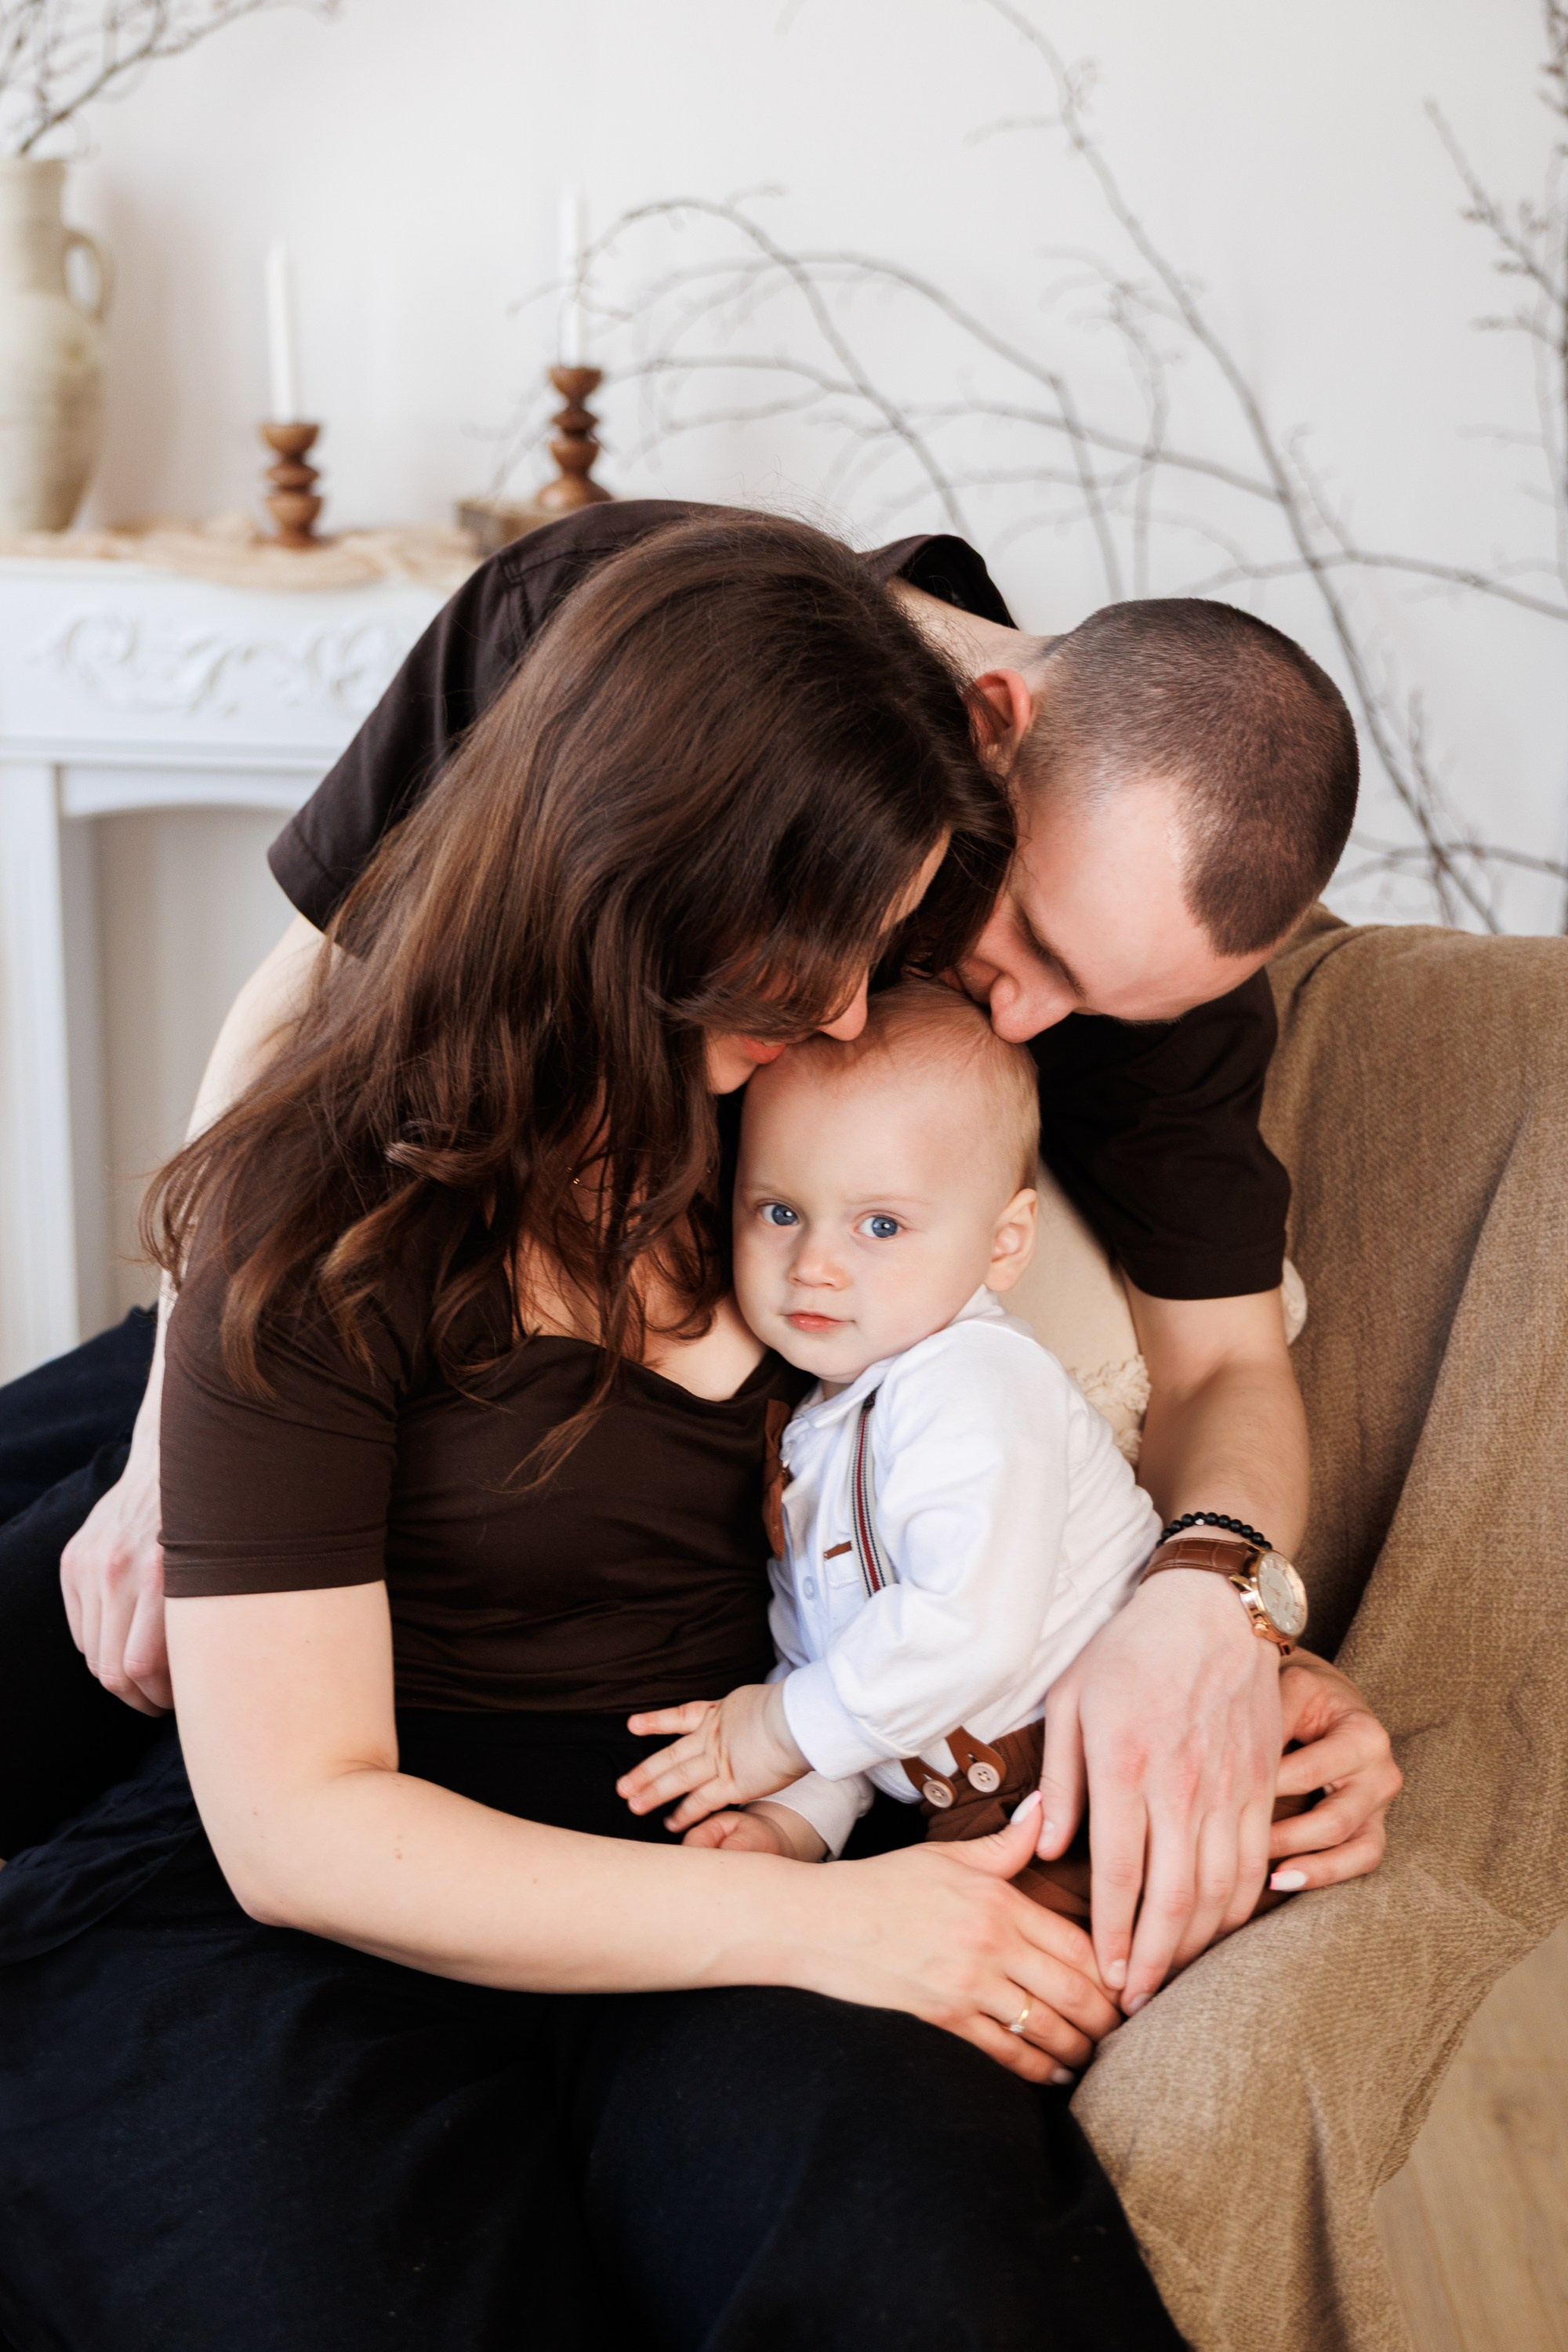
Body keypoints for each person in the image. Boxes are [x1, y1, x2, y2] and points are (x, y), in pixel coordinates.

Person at [1, 515, 1190, 2352]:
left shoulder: (791, 1124)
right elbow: (301, 1825)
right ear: (652, 891)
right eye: (824, 960)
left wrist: (1231, 1623)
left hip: (749, 1833)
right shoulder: (323, 1209)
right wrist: (829, 1937)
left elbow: (1056, 1467)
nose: (858, 1018)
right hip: (361, 1892)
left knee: (917, 2270)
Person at [619, 982, 1345, 1944]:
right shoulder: (814, 1430)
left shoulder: (974, 1384)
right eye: (779, 1211)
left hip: (1131, 1773)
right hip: (1001, 1816)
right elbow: (848, 1675)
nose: (816, 1265)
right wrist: (791, 1825)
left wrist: (774, 1732)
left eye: (879, 1225)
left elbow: (963, 1635)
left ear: (1004, 1245)